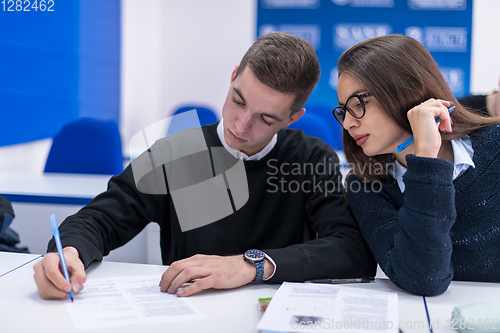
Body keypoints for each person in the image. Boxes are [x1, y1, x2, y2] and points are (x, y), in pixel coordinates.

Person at [33, 32, 376, 300]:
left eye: (265, 118)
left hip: (271, 314)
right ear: (232, 78)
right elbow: (101, 218)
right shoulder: (176, 152)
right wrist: (69, 253)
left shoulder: (311, 158)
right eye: (237, 100)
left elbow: (351, 250)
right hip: (186, 309)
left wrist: (249, 265)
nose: (240, 126)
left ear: (293, 118)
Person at [332, 34, 500, 297]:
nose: (348, 123)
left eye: (358, 104)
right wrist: (425, 159)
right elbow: (423, 279)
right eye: (344, 110)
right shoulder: (367, 185)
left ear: (405, 89)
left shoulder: (496, 146)